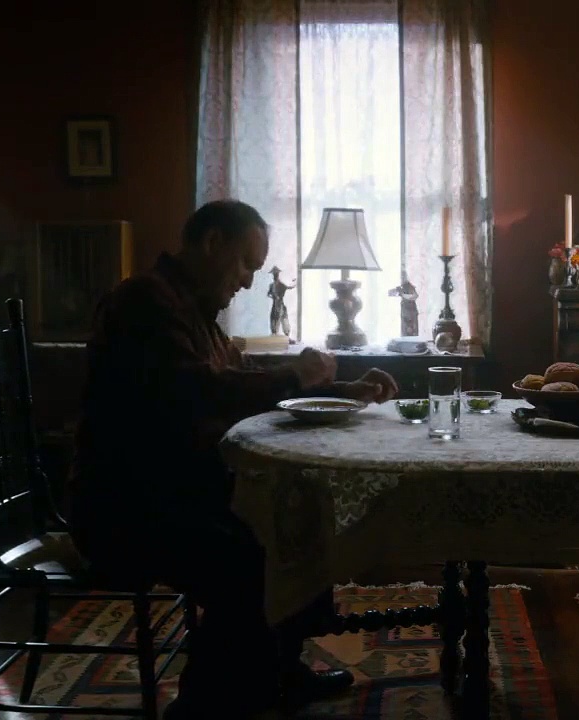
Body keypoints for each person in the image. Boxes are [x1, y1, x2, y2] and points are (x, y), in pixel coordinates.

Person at [67, 200, 400, 720]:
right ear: (212, 243)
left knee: (293, 523)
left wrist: (342, 391)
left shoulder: (191, 310)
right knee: (254, 557)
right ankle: (206, 705)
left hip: (175, 491)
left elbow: (241, 385)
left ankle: (278, 673)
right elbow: (199, 392)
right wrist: (295, 376)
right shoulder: (143, 302)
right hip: (126, 508)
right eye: (246, 263)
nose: (247, 282)